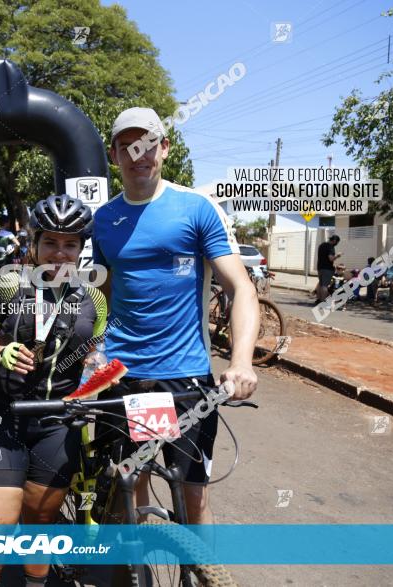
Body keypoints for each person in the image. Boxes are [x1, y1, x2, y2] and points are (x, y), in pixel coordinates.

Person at [91, 107, 259, 528]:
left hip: (184, 378)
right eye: (128, 146)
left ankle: (200, 575)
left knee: (193, 502)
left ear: (164, 149)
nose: (138, 154)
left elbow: (241, 288)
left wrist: (240, 362)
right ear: (114, 155)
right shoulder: (104, 220)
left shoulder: (196, 208)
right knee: (126, 498)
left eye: (148, 143)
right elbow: (103, 296)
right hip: (123, 376)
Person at [0, 194, 108, 587]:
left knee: (40, 522)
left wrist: (96, 370)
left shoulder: (93, 298)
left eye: (70, 244)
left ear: (81, 249)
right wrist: (0, 351)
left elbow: (95, 353)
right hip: (3, 417)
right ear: (35, 244)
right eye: (50, 243)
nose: (59, 253)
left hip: (57, 421)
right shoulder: (10, 285)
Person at [316, 235, 341, 303]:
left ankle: (319, 299)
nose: (336, 244)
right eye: (337, 242)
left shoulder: (321, 245)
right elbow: (331, 258)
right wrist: (337, 256)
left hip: (320, 267)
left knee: (320, 284)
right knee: (325, 285)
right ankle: (323, 301)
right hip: (327, 269)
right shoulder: (330, 247)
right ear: (334, 241)